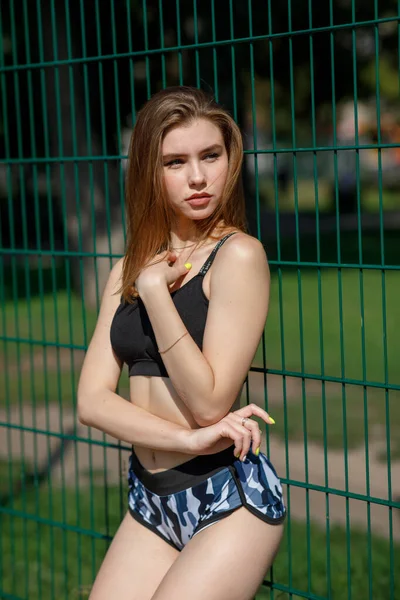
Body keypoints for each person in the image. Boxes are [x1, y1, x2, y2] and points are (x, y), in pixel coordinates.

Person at [77, 85, 286, 600]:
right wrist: (187, 439)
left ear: (229, 160)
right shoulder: (124, 269)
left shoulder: (238, 256)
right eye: (175, 161)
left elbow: (210, 401)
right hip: (149, 499)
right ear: (150, 171)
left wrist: (155, 294)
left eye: (210, 156)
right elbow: (91, 400)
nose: (198, 177)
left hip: (226, 500)